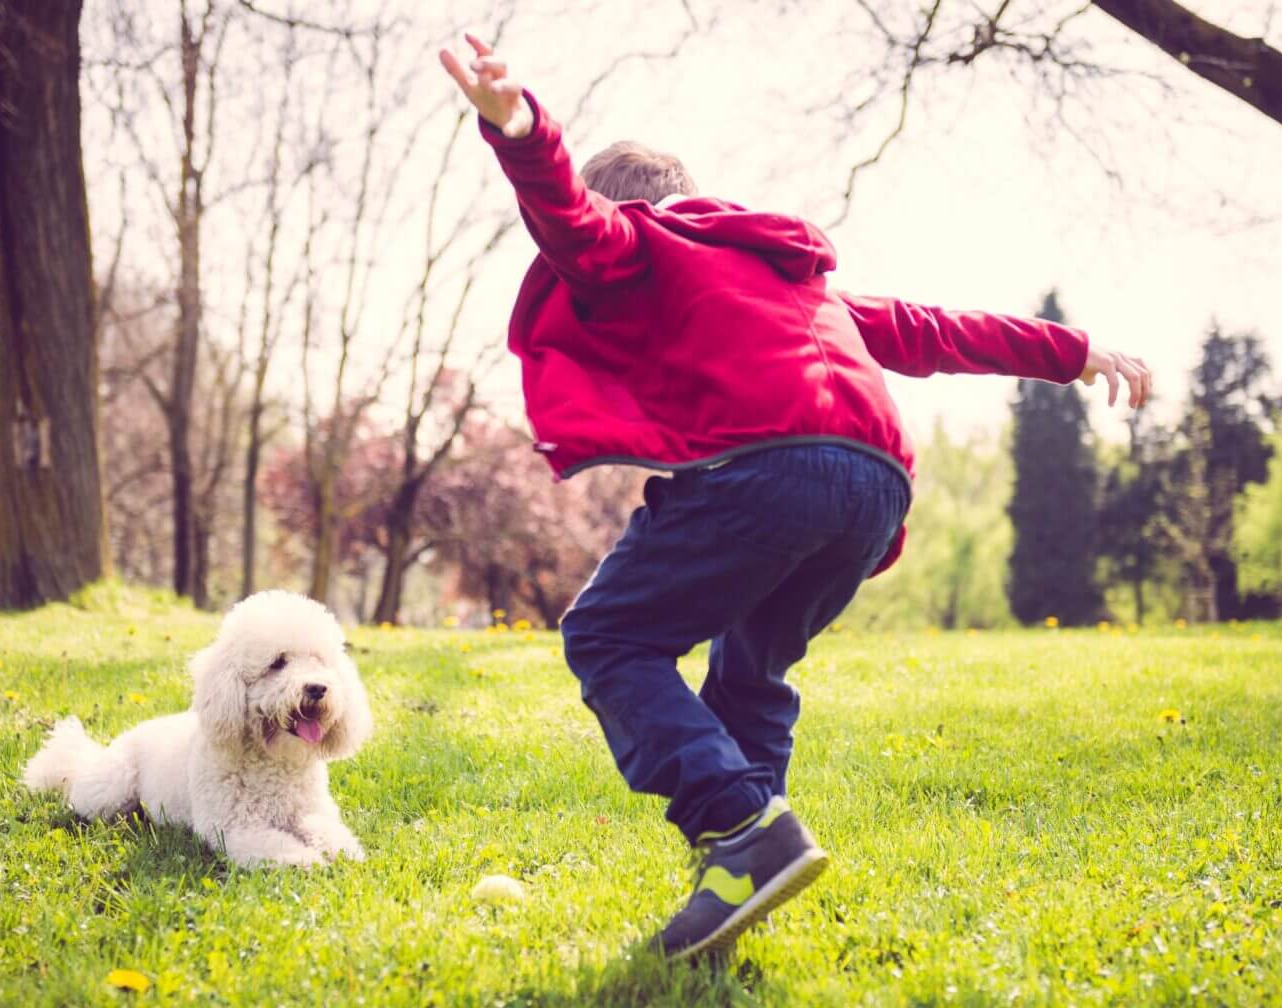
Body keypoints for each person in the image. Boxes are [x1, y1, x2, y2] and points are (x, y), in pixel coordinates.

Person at [438, 33, 1151, 961]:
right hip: (875, 485)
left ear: (634, 210)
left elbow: (570, 217)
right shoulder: (792, 275)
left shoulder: (641, 240)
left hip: (768, 470)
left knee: (608, 635)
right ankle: (743, 881)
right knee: (751, 674)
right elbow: (935, 330)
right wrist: (1073, 351)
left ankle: (737, 825)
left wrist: (522, 129)